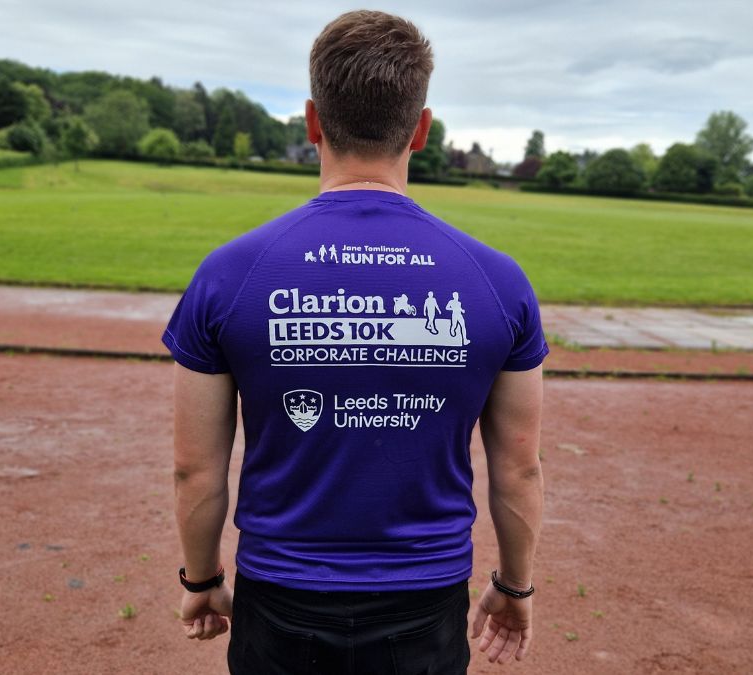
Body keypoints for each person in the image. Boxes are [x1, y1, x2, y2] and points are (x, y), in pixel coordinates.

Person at [163, 10, 547, 674]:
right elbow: (519, 468)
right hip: (423, 605)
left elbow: (195, 468)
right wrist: (514, 586)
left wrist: (201, 579)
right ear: (420, 129)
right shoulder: (498, 281)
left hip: (280, 602)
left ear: (314, 121)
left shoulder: (228, 272)